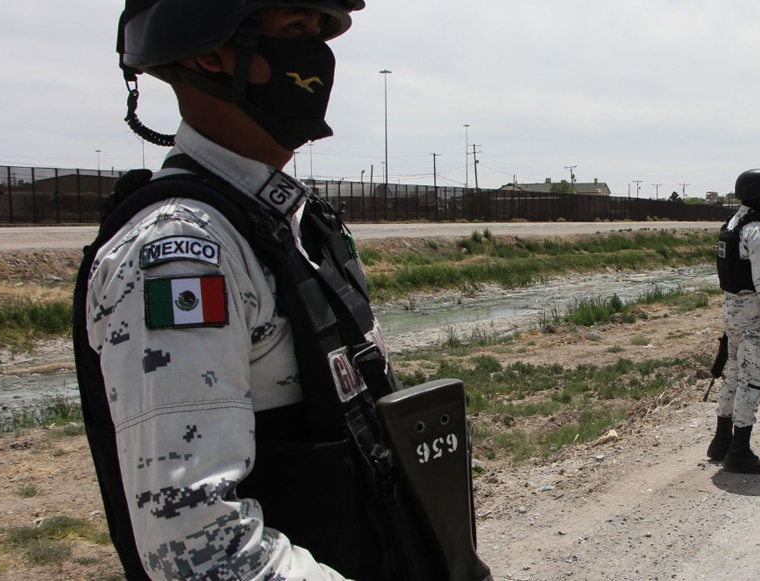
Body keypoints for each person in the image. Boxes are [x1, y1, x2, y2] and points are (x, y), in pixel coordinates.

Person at [73, 2, 489, 580]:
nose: (317, 55)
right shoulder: (181, 251)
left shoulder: (292, 221)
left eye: (321, 31)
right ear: (208, 50)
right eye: (295, 29)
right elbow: (201, 549)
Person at [707, 168, 760, 475]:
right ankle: (740, 451)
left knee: (732, 373)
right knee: (753, 378)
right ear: (759, 195)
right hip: (753, 311)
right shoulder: (758, 230)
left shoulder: (732, 224)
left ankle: (721, 442)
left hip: (731, 308)